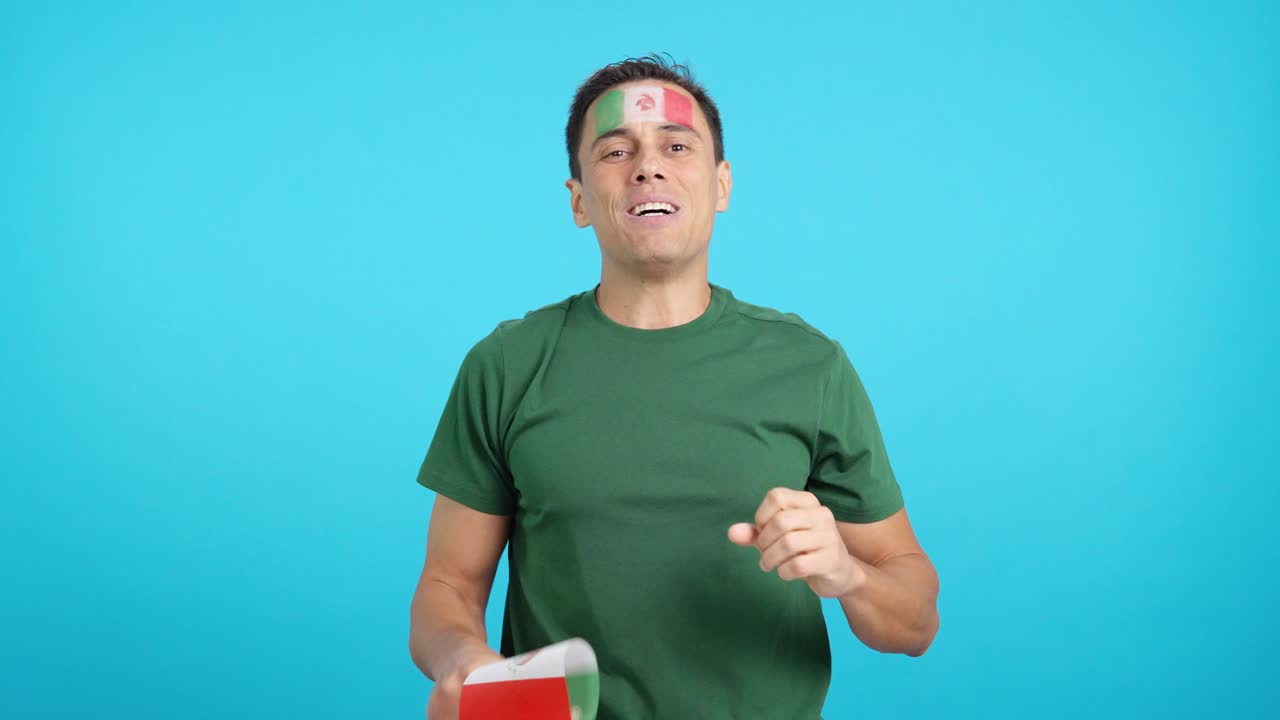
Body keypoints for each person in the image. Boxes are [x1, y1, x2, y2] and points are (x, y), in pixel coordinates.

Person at [408, 54, 940, 720]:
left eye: (677, 146)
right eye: (615, 151)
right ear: (578, 200)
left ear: (721, 185)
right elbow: (447, 584)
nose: (647, 167)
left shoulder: (811, 365)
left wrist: (848, 573)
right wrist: (463, 659)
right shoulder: (506, 365)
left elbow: (916, 622)